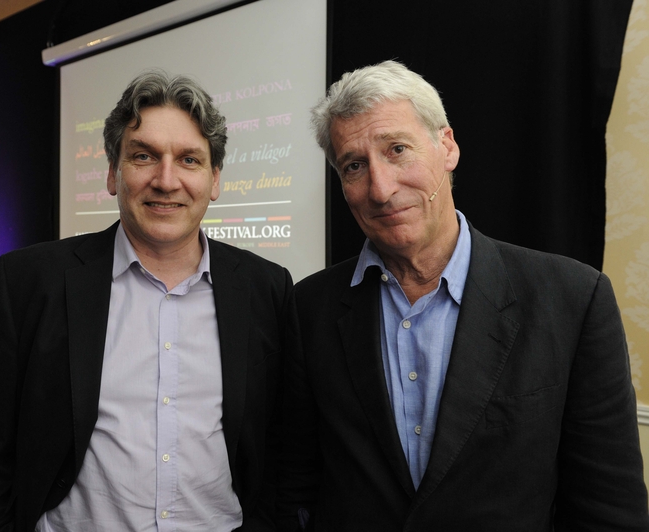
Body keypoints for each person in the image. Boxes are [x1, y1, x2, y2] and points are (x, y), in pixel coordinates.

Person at [275, 60, 649, 531]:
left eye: (397, 149)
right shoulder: (310, 308)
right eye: (354, 166)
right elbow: (295, 489)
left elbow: (609, 510)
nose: (381, 188)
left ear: (446, 146)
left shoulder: (573, 299)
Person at [0, 70, 292, 532]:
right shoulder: (28, 282)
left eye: (189, 160)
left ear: (215, 179)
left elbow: (283, 452)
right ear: (112, 173)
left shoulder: (267, 289)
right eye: (144, 156)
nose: (166, 181)